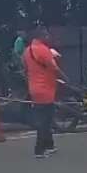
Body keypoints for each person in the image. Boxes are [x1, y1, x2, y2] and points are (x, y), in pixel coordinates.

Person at [24, 25, 66, 158]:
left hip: (34, 88)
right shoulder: (44, 50)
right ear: (40, 36)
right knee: (45, 120)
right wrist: (65, 78)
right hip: (46, 89)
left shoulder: (27, 51)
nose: (48, 38)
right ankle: (39, 149)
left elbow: (25, 66)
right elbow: (54, 68)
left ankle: (50, 145)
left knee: (46, 118)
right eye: (46, 35)